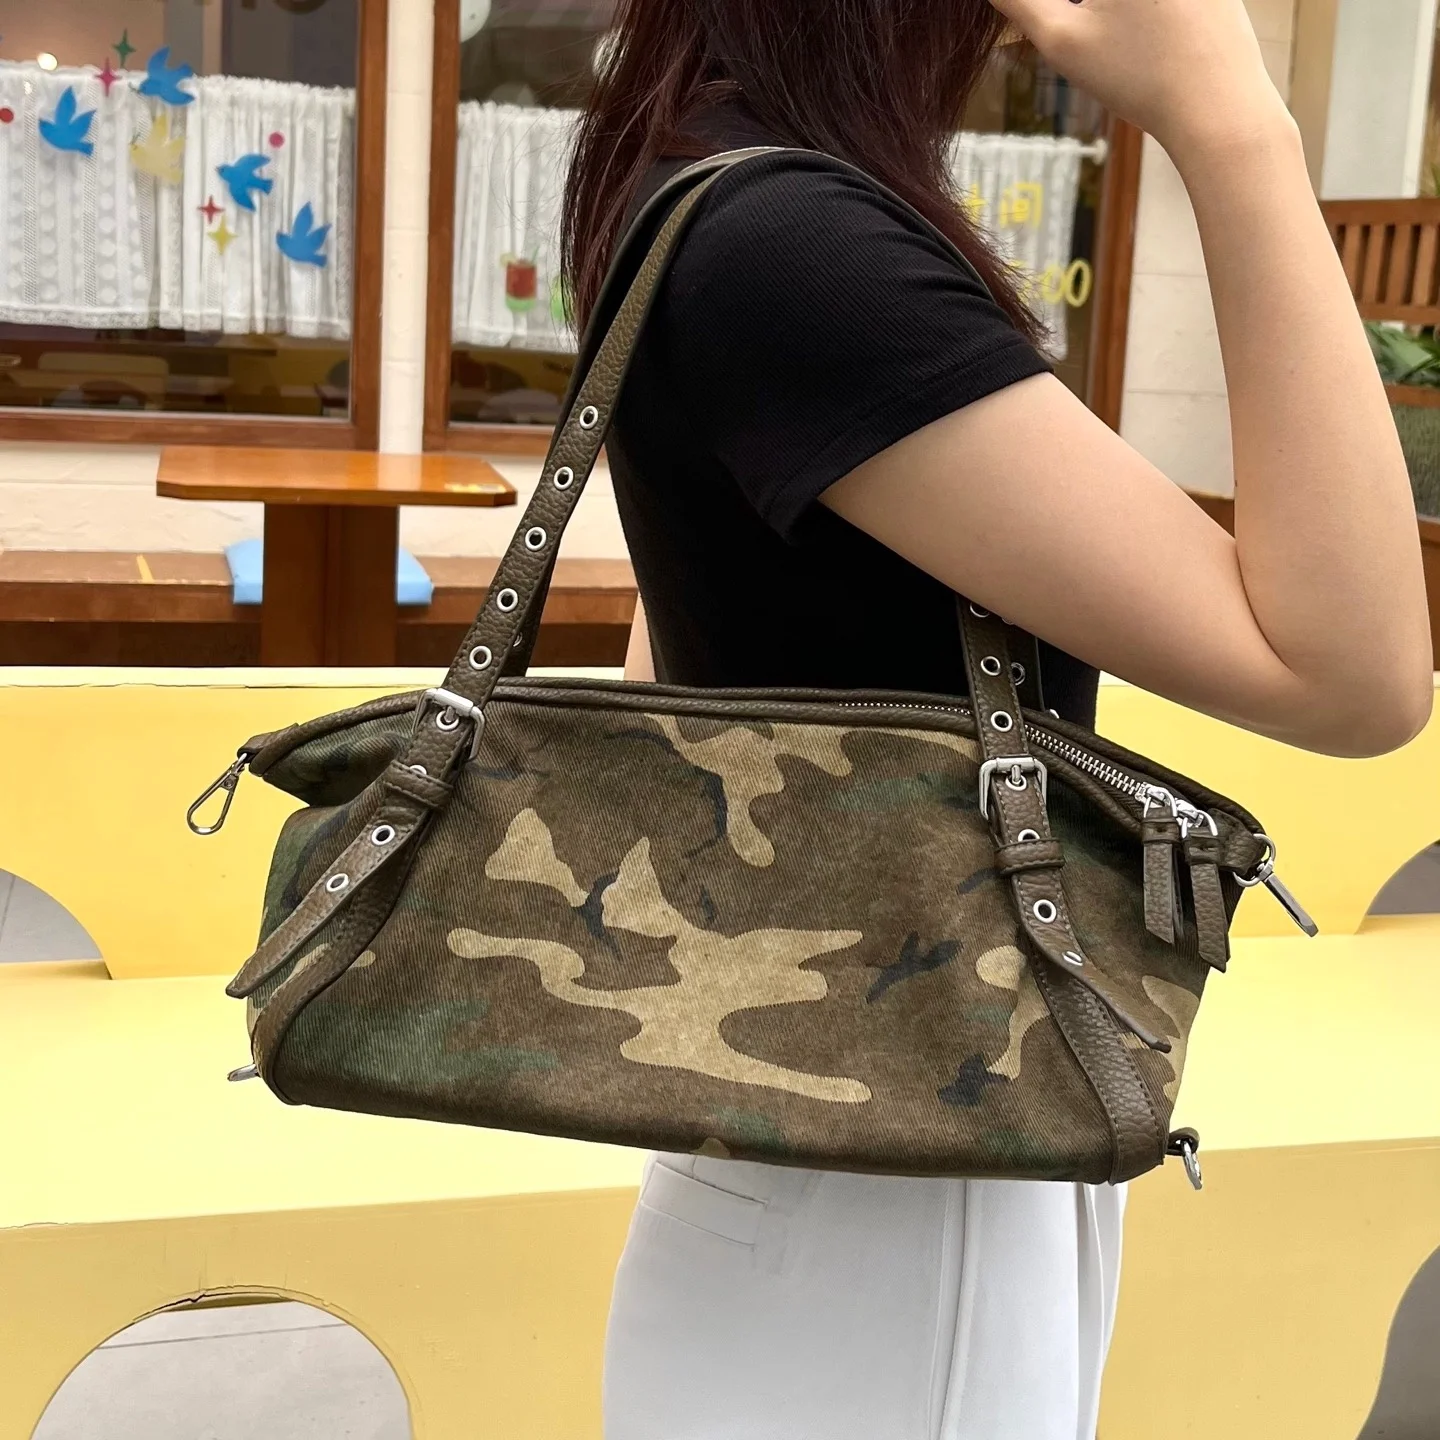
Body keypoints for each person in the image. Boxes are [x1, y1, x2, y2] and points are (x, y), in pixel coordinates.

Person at [558, 1, 1435, 1435]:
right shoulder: (795, 245)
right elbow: (1358, 673)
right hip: (905, 1192)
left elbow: (680, 655)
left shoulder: (697, 174)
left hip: (828, 1141)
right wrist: (1234, 125)